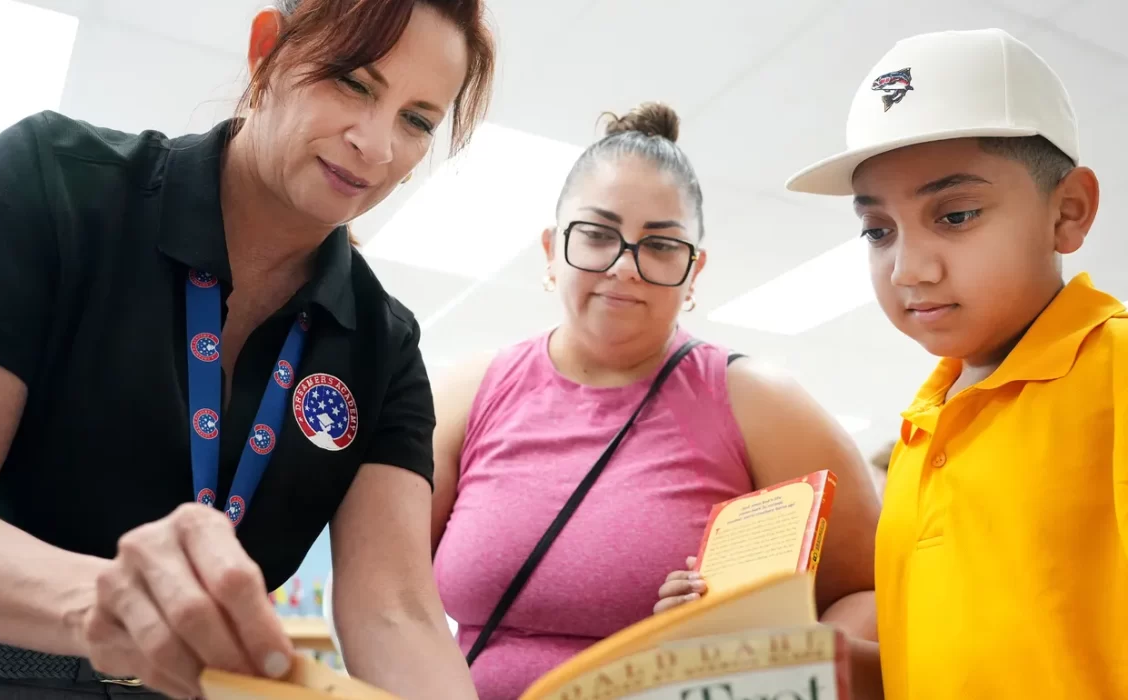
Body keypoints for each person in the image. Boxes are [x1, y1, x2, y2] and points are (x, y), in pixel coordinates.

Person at [0, 0, 494, 697]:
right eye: (353, 82)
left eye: (416, 121)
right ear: (267, 51)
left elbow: (395, 613)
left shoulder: (384, 343)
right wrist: (108, 601)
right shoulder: (57, 183)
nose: (376, 146)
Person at [430, 102, 883, 700]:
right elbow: (387, 596)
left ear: (694, 270)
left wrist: (770, 655)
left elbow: (871, 593)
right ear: (550, 248)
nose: (624, 267)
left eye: (661, 246)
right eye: (596, 235)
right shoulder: (467, 394)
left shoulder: (761, 403)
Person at [785, 28, 1128, 699]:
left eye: (956, 214)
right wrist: (772, 650)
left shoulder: (1114, 372)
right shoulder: (921, 431)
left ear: (1069, 211)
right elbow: (931, 666)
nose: (909, 268)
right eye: (878, 230)